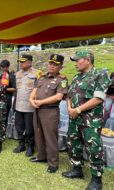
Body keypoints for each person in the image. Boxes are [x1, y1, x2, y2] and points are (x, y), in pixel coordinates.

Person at [62, 51, 110, 190]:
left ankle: (96, 179)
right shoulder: (77, 77)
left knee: (94, 148)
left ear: (88, 60)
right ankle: (77, 169)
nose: (76, 63)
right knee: (73, 143)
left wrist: (78, 110)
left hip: (91, 121)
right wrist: (70, 108)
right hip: (74, 118)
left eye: (78, 60)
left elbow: (98, 98)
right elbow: (69, 95)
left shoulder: (100, 75)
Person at [29, 54, 68, 173]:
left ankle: (53, 163)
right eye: (50, 63)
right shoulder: (41, 77)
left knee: (50, 137)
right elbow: (34, 90)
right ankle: (41, 156)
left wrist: (40, 102)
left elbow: (59, 96)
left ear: (60, 66)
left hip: (50, 111)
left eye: (55, 65)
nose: (52, 66)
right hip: (37, 110)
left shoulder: (63, 80)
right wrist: (31, 100)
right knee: (38, 134)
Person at [13, 54, 40, 157]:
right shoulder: (17, 74)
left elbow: (38, 89)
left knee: (29, 128)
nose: (21, 63)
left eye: (23, 62)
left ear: (29, 62)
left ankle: (30, 146)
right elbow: (16, 89)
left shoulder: (37, 73)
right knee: (19, 126)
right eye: (20, 61)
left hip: (30, 106)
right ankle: (21, 144)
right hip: (19, 104)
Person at [0, 60, 16, 128]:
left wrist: (4, 89)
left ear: (7, 67)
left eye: (3, 67)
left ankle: (2, 132)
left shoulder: (11, 76)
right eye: (1, 66)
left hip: (6, 99)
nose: (2, 68)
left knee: (4, 117)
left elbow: (14, 89)